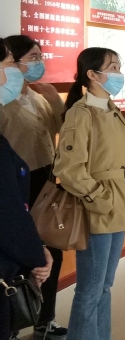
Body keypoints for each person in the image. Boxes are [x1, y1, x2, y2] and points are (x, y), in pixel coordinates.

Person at [53, 47, 125, 340]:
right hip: (99, 204)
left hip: (119, 201)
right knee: (91, 287)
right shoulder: (80, 113)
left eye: (119, 66)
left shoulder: (109, 107)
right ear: (93, 75)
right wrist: (98, 198)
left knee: (105, 284)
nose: (119, 73)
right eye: (113, 68)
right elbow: (69, 169)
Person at [0, 35, 66, 340]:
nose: (39, 63)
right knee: (21, 258)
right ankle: (16, 320)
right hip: (17, 185)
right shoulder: (5, 103)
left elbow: (64, 133)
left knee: (52, 252)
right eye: (31, 58)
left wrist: (55, 100)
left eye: (41, 56)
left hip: (46, 181)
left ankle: (45, 318)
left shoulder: (39, 97)